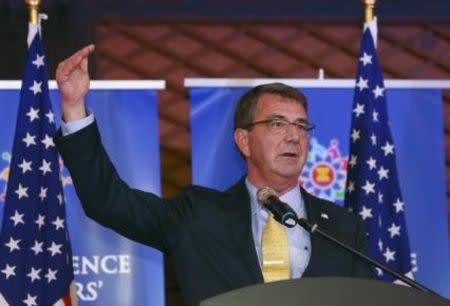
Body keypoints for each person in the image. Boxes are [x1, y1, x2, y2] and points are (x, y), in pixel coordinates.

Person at [54, 45, 373, 306]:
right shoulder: (197, 216)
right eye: (277, 124)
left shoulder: (344, 229)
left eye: (301, 126)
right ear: (244, 140)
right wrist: (74, 106)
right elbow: (108, 202)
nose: (294, 136)